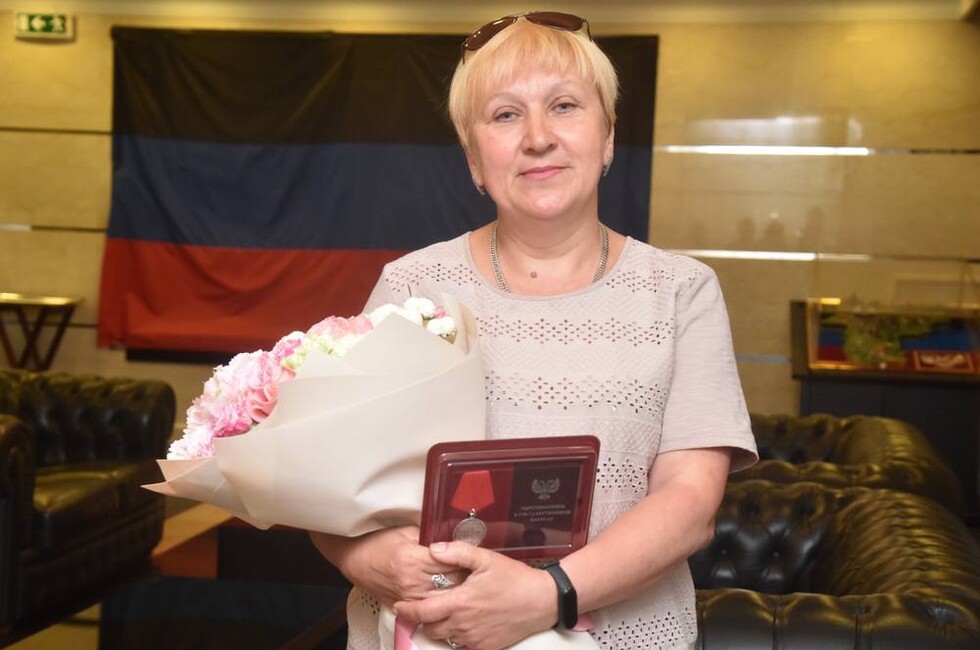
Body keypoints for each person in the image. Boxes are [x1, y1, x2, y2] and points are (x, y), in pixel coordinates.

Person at [311, 12, 758, 650]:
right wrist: (369, 559)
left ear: (608, 136)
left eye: (565, 106)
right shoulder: (413, 288)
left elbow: (690, 500)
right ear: (474, 158)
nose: (538, 138)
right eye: (505, 115)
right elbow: (331, 487)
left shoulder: (681, 291)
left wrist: (549, 595)